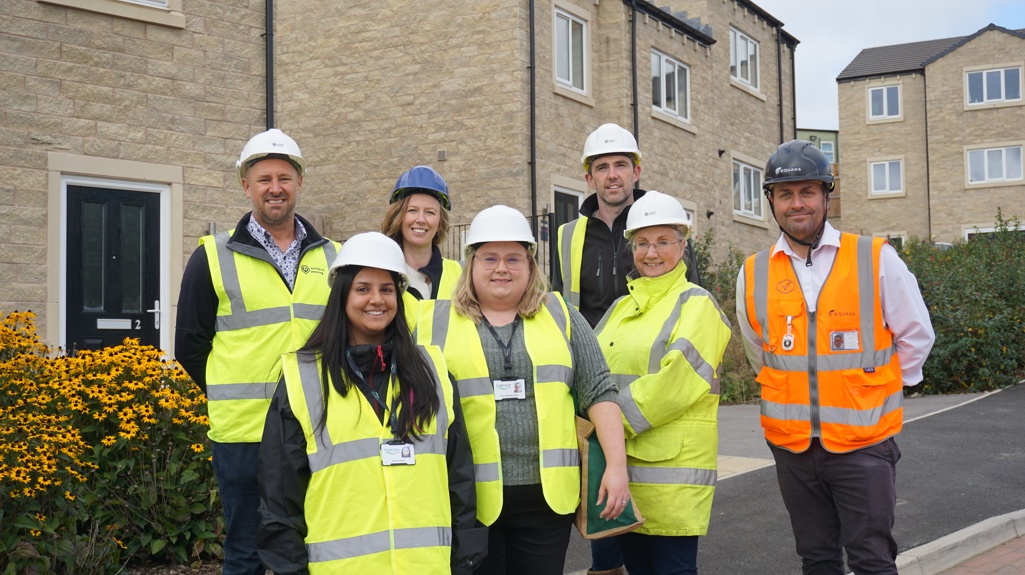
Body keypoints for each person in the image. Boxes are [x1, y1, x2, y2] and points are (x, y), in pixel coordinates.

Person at [735, 140, 935, 575]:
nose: (797, 204)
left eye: (807, 192)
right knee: (817, 560)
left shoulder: (875, 258)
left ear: (826, 196)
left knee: (873, 560)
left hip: (864, 446)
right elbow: (760, 351)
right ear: (771, 200)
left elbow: (916, 336)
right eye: (785, 195)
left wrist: (876, 390)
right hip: (792, 448)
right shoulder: (753, 272)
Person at [416, 205, 632, 575]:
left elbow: (599, 390)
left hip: (545, 502)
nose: (502, 268)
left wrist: (616, 465)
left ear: (531, 265)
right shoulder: (432, 319)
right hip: (467, 498)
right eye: (490, 258)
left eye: (514, 258)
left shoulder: (560, 313)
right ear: (471, 264)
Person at [256, 232, 486, 574]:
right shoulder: (303, 378)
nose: (376, 300)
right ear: (342, 295)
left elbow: (460, 478)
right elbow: (279, 496)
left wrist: (464, 560)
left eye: (387, 289)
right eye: (363, 288)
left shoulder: (432, 371)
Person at [174, 129, 341, 575]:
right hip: (244, 430)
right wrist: (228, 389)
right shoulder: (211, 256)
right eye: (263, 178)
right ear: (245, 186)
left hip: (315, 425)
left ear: (299, 183)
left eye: (284, 177)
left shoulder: (333, 256)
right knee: (245, 549)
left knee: (313, 544)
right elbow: (189, 344)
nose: (275, 188)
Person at [555, 122, 702, 575]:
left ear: (636, 171)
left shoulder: (658, 223)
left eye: (621, 165)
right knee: (604, 529)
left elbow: (686, 307)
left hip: (647, 398)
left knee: (650, 532)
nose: (612, 174)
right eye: (603, 167)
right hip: (593, 388)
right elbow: (561, 312)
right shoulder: (566, 236)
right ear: (589, 177)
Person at [593, 191, 731, 575]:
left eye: (663, 242)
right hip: (621, 474)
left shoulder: (697, 305)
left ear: (683, 246)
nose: (651, 253)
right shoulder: (621, 308)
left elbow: (676, 383)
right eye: (642, 243)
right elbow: (590, 373)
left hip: (671, 477)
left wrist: (604, 425)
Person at [381, 165, 462, 300]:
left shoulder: (462, 276)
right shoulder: (381, 274)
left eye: (430, 212)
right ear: (398, 216)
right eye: (412, 210)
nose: (421, 219)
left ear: (440, 223)